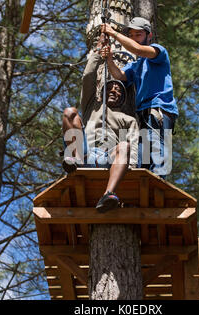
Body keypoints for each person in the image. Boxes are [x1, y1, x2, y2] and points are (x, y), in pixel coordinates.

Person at [61, 40, 139, 213]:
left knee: (124, 145)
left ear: (122, 99)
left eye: (119, 91)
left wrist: (131, 167)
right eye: (110, 88)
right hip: (84, 151)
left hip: (108, 158)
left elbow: (132, 144)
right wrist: (97, 53)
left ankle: (108, 194)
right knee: (70, 112)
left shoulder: (127, 119)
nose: (114, 91)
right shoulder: (92, 106)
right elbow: (88, 76)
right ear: (102, 92)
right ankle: (75, 160)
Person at [100, 17, 177, 179]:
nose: (135, 38)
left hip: (158, 108)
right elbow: (120, 76)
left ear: (149, 36)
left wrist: (113, 33)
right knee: (144, 153)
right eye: (132, 35)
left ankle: (158, 181)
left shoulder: (158, 52)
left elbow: (138, 50)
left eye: (138, 34)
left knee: (156, 145)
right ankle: (148, 182)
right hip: (143, 113)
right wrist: (109, 59)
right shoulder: (136, 65)